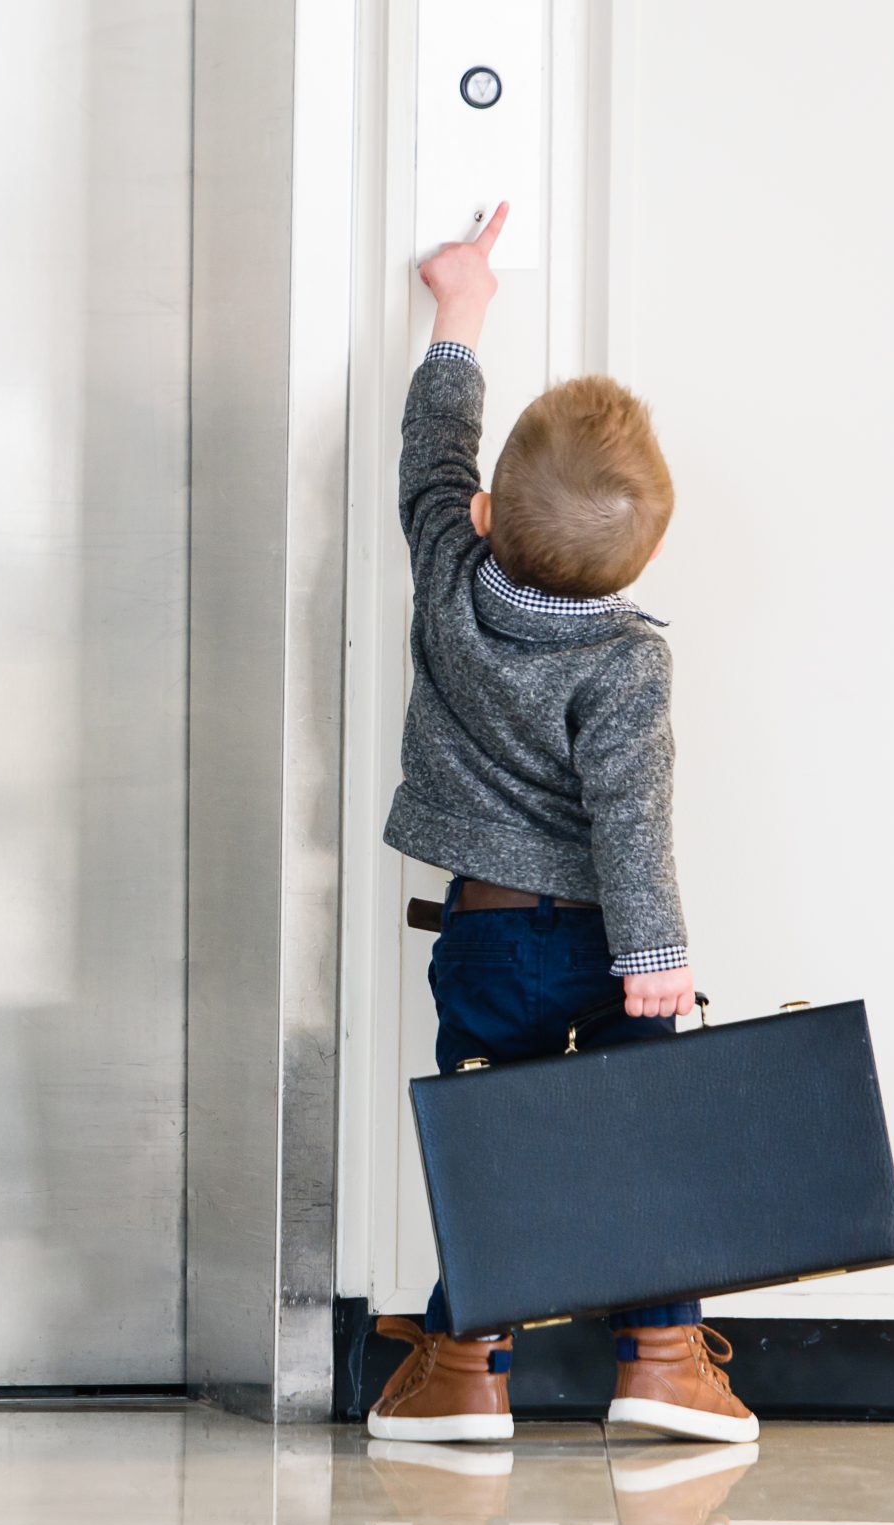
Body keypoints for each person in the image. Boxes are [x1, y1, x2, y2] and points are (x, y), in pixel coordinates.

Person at [366, 204, 755, 1447]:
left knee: (499, 1144)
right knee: (646, 1138)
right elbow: (630, 815)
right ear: (640, 556)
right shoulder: (626, 657)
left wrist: (460, 309)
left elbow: (433, 452)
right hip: (605, 944)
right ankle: (660, 1361)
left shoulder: (444, 572)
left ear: (483, 513)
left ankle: (463, 1372)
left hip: (483, 937)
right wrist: (656, 956)